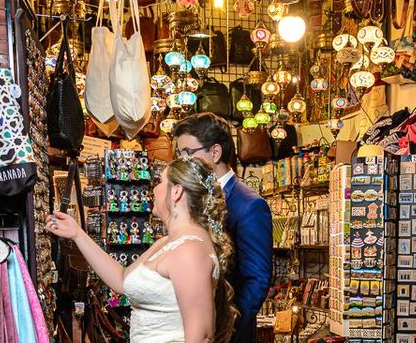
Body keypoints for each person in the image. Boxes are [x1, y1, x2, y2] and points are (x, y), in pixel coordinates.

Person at [46, 157, 237, 343]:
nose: (153, 188)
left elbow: (202, 336)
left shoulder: (189, 250)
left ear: (177, 192)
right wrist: (77, 234)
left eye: (160, 182)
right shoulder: (165, 243)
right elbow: (121, 280)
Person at [173, 112, 273, 343]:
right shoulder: (194, 197)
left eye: (188, 153)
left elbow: (256, 280)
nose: (182, 161)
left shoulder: (249, 205)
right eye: (179, 153)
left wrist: (227, 328)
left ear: (215, 152)